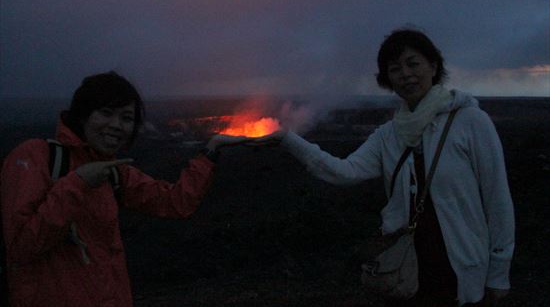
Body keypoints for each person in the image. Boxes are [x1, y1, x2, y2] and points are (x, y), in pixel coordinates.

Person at [254, 29, 515, 306]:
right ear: (387, 79)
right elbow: (345, 171)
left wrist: (499, 272)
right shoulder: (389, 135)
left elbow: (497, 199)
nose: (405, 74)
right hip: (406, 270)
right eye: (395, 68)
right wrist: (287, 139)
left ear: (433, 66)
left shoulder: (471, 122)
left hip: (462, 267)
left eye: (413, 63)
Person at [0, 71, 249, 307]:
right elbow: (21, 247)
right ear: (83, 115)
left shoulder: (114, 172)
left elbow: (175, 202)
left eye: (126, 118)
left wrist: (210, 152)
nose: (116, 125)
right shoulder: (36, 157)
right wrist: (77, 183)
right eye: (106, 113)